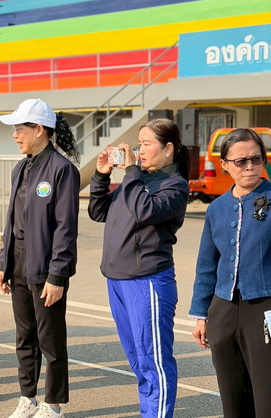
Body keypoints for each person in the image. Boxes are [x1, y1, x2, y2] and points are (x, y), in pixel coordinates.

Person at [189, 128, 271, 417]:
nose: (249, 167)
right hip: (223, 310)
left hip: (268, 309)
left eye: (256, 159)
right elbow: (207, 265)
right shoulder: (217, 208)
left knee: (270, 400)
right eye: (241, 161)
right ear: (224, 164)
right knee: (233, 401)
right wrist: (200, 315)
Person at [88, 118, 191, 418]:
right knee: (137, 358)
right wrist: (101, 175)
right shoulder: (137, 180)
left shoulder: (174, 185)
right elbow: (98, 211)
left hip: (148, 281)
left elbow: (145, 211)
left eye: (147, 144)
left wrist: (132, 171)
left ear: (168, 149)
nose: (140, 150)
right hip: (118, 280)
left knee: (153, 360)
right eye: (139, 144)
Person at [0, 99, 80, 418]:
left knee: (50, 339)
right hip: (18, 261)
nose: (15, 135)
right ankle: (27, 398)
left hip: (46, 266)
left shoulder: (62, 170)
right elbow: (11, 219)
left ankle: (54, 405)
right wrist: (4, 263)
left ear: (40, 129)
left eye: (20, 128)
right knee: (24, 336)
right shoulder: (20, 168)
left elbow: (65, 228)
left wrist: (57, 275)